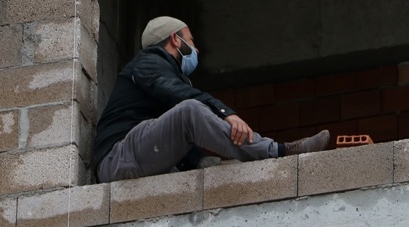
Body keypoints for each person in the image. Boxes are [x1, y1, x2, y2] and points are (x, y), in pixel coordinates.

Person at [93, 16, 330, 183]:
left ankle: (253, 157)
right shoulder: (149, 62)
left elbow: (171, 132)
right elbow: (178, 95)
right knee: (190, 111)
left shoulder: (166, 75)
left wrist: (205, 162)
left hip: (141, 160)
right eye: (192, 41)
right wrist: (226, 113)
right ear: (176, 39)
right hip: (118, 158)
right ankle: (278, 151)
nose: (196, 50)